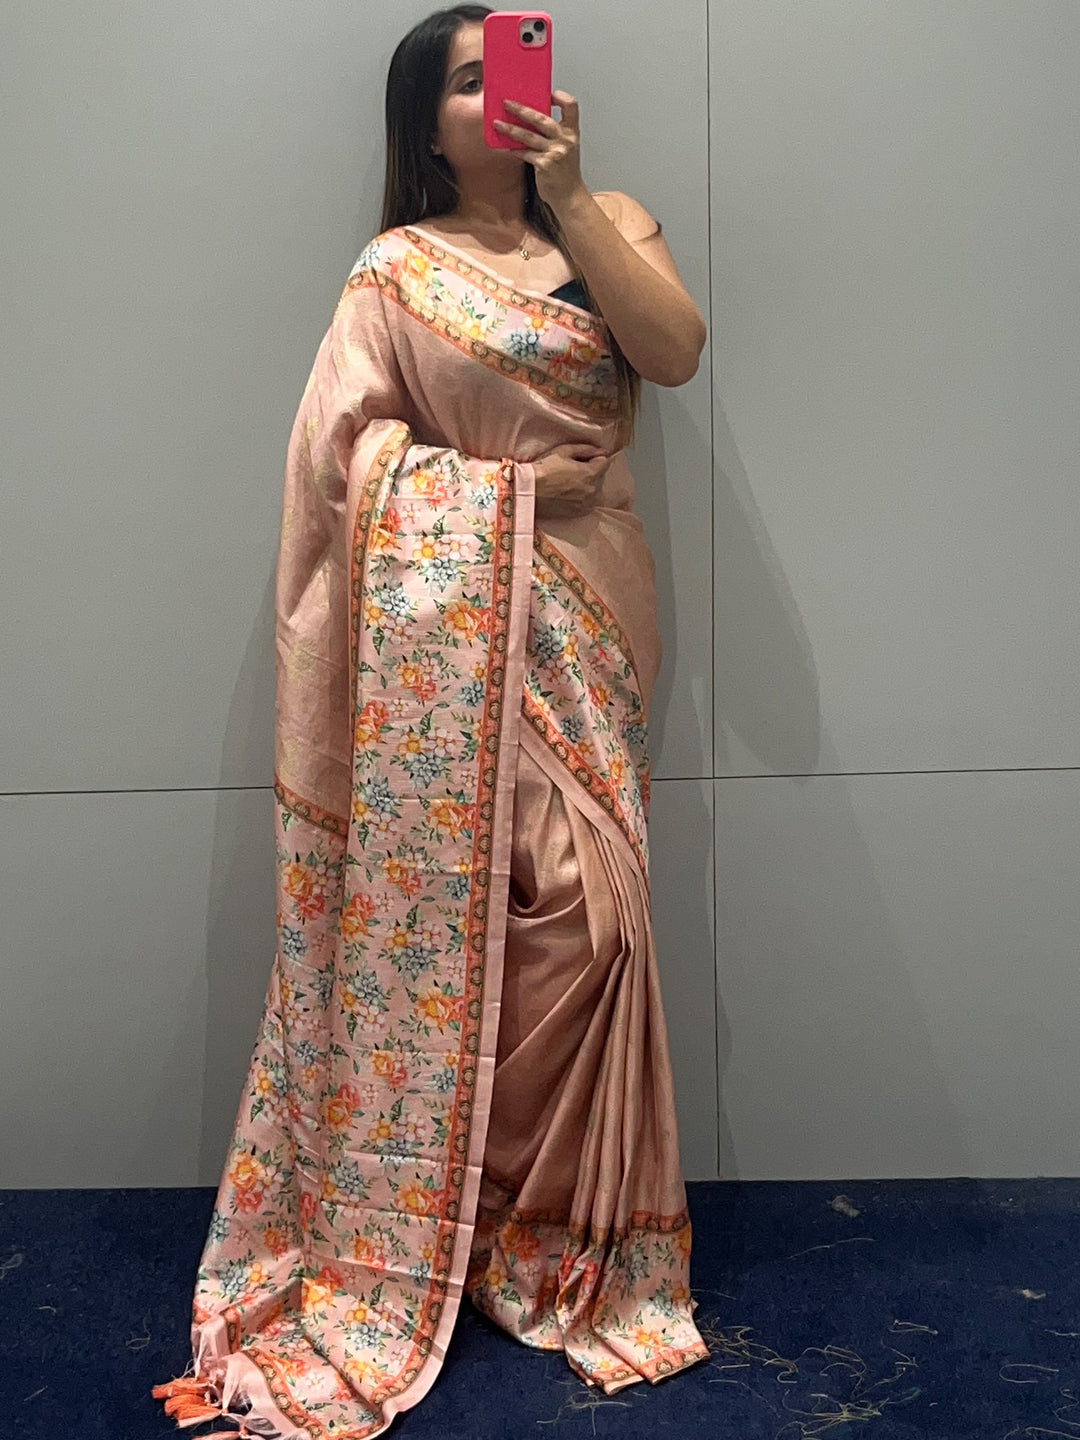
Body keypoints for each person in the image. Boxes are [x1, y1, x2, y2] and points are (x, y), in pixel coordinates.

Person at [153, 6, 709, 1436]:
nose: (500, 96)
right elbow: (342, 467)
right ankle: (451, 1211)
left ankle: (544, 1230)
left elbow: (677, 351)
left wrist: (576, 196)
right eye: (471, 81)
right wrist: (487, 507)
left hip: (595, 610)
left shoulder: (613, 220)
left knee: (598, 920)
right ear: (426, 124)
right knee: (506, 913)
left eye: (511, 68)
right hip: (451, 634)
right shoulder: (395, 274)